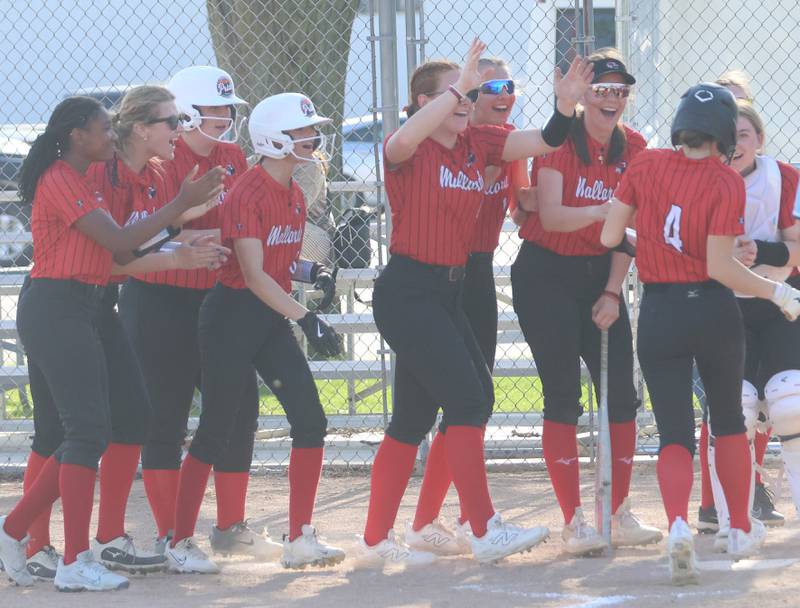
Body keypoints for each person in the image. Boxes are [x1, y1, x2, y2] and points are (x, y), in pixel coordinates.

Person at [355, 38, 594, 567]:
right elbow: (399, 141)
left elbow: (546, 139)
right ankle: (484, 530)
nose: (466, 102)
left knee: (414, 417)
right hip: (408, 290)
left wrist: (566, 104)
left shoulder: (478, 142)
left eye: (469, 95)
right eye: (456, 95)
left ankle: (374, 541)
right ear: (424, 103)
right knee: (469, 400)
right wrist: (459, 86)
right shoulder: (408, 147)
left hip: (448, 290)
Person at [0, 95, 223, 591]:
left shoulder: (94, 175)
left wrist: (180, 245)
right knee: (80, 433)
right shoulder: (65, 177)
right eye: (169, 121)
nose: (110, 133)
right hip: (58, 306)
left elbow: (125, 246)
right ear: (78, 135)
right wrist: (182, 209)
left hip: (87, 303)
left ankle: (20, 532)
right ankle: (67, 558)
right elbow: (121, 245)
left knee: (125, 419)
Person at [601, 82, 800, 584]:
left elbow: (608, 235)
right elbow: (720, 267)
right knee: (730, 418)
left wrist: (647, 238)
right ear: (724, 133)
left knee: (673, 430)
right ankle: (737, 526)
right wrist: (776, 293)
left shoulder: (646, 164)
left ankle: (676, 527)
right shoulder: (724, 179)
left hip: (660, 311)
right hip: (711, 309)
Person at [164, 92, 344, 573]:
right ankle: (180, 542)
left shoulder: (295, 193)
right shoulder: (246, 191)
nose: (312, 137)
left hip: (267, 317)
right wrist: (306, 318)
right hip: (231, 318)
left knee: (311, 421)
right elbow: (253, 274)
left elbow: (279, 262)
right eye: (302, 131)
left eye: (310, 129)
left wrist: (312, 273)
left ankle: (301, 537)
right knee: (217, 429)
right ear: (274, 138)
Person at [116, 67, 279, 560]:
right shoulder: (160, 157)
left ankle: (229, 525)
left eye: (229, 108)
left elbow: (240, 223)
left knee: (239, 410)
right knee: (164, 417)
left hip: (216, 301)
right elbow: (137, 234)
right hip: (159, 299)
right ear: (184, 112)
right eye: (215, 108)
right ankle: (172, 535)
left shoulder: (231, 156)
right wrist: (187, 229)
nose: (226, 117)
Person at [510, 48, 661, 556]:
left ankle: (616, 513)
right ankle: (575, 521)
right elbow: (551, 216)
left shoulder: (633, 146)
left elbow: (629, 233)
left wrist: (613, 292)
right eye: (601, 89)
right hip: (546, 274)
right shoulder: (560, 140)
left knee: (620, 396)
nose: (612, 99)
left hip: (602, 274)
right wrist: (605, 209)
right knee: (562, 397)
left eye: (620, 90)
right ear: (583, 94)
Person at [405, 56, 530, 555]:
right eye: (486, 85)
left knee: (474, 400)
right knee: (456, 401)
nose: (499, 94)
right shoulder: (444, 140)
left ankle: (439, 518)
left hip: (475, 273)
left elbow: (521, 202)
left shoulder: (506, 138)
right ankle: (451, 519)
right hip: (435, 276)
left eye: (507, 84)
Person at [705, 101, 800, 545]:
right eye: (729, 135)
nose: (736, 143)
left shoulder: (784, 177)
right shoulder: (701, 179)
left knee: (790, 399)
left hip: (780, 302)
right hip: (725, 307)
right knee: (736, 405)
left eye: (744, 134)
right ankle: (733, 522)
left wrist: (760, 252)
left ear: (759, 139)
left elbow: (797, 248)